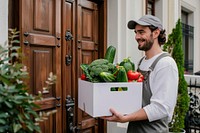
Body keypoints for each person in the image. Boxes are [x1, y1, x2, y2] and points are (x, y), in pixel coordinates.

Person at [102, 15, 179, 133]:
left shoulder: (166, 64)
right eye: (136, 32)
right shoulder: (141, 62)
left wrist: (126, 118)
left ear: (156, 33)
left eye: (141, 32)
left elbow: (161, 108)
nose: (137, 37)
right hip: (135, 128)